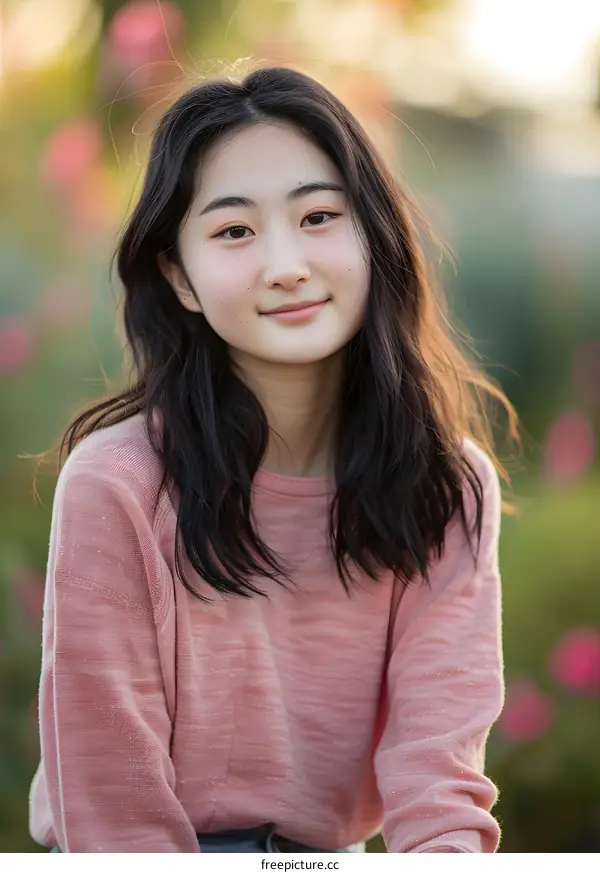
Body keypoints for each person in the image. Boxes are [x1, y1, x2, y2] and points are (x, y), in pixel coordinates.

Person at [28, 66, 519, 853]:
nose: (285, 263)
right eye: (234, 231)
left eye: (319, 216)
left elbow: (440, 782)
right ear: (179, 277)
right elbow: (113, 812)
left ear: (374, 235)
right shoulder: (116, 485)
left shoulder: (445, 488)